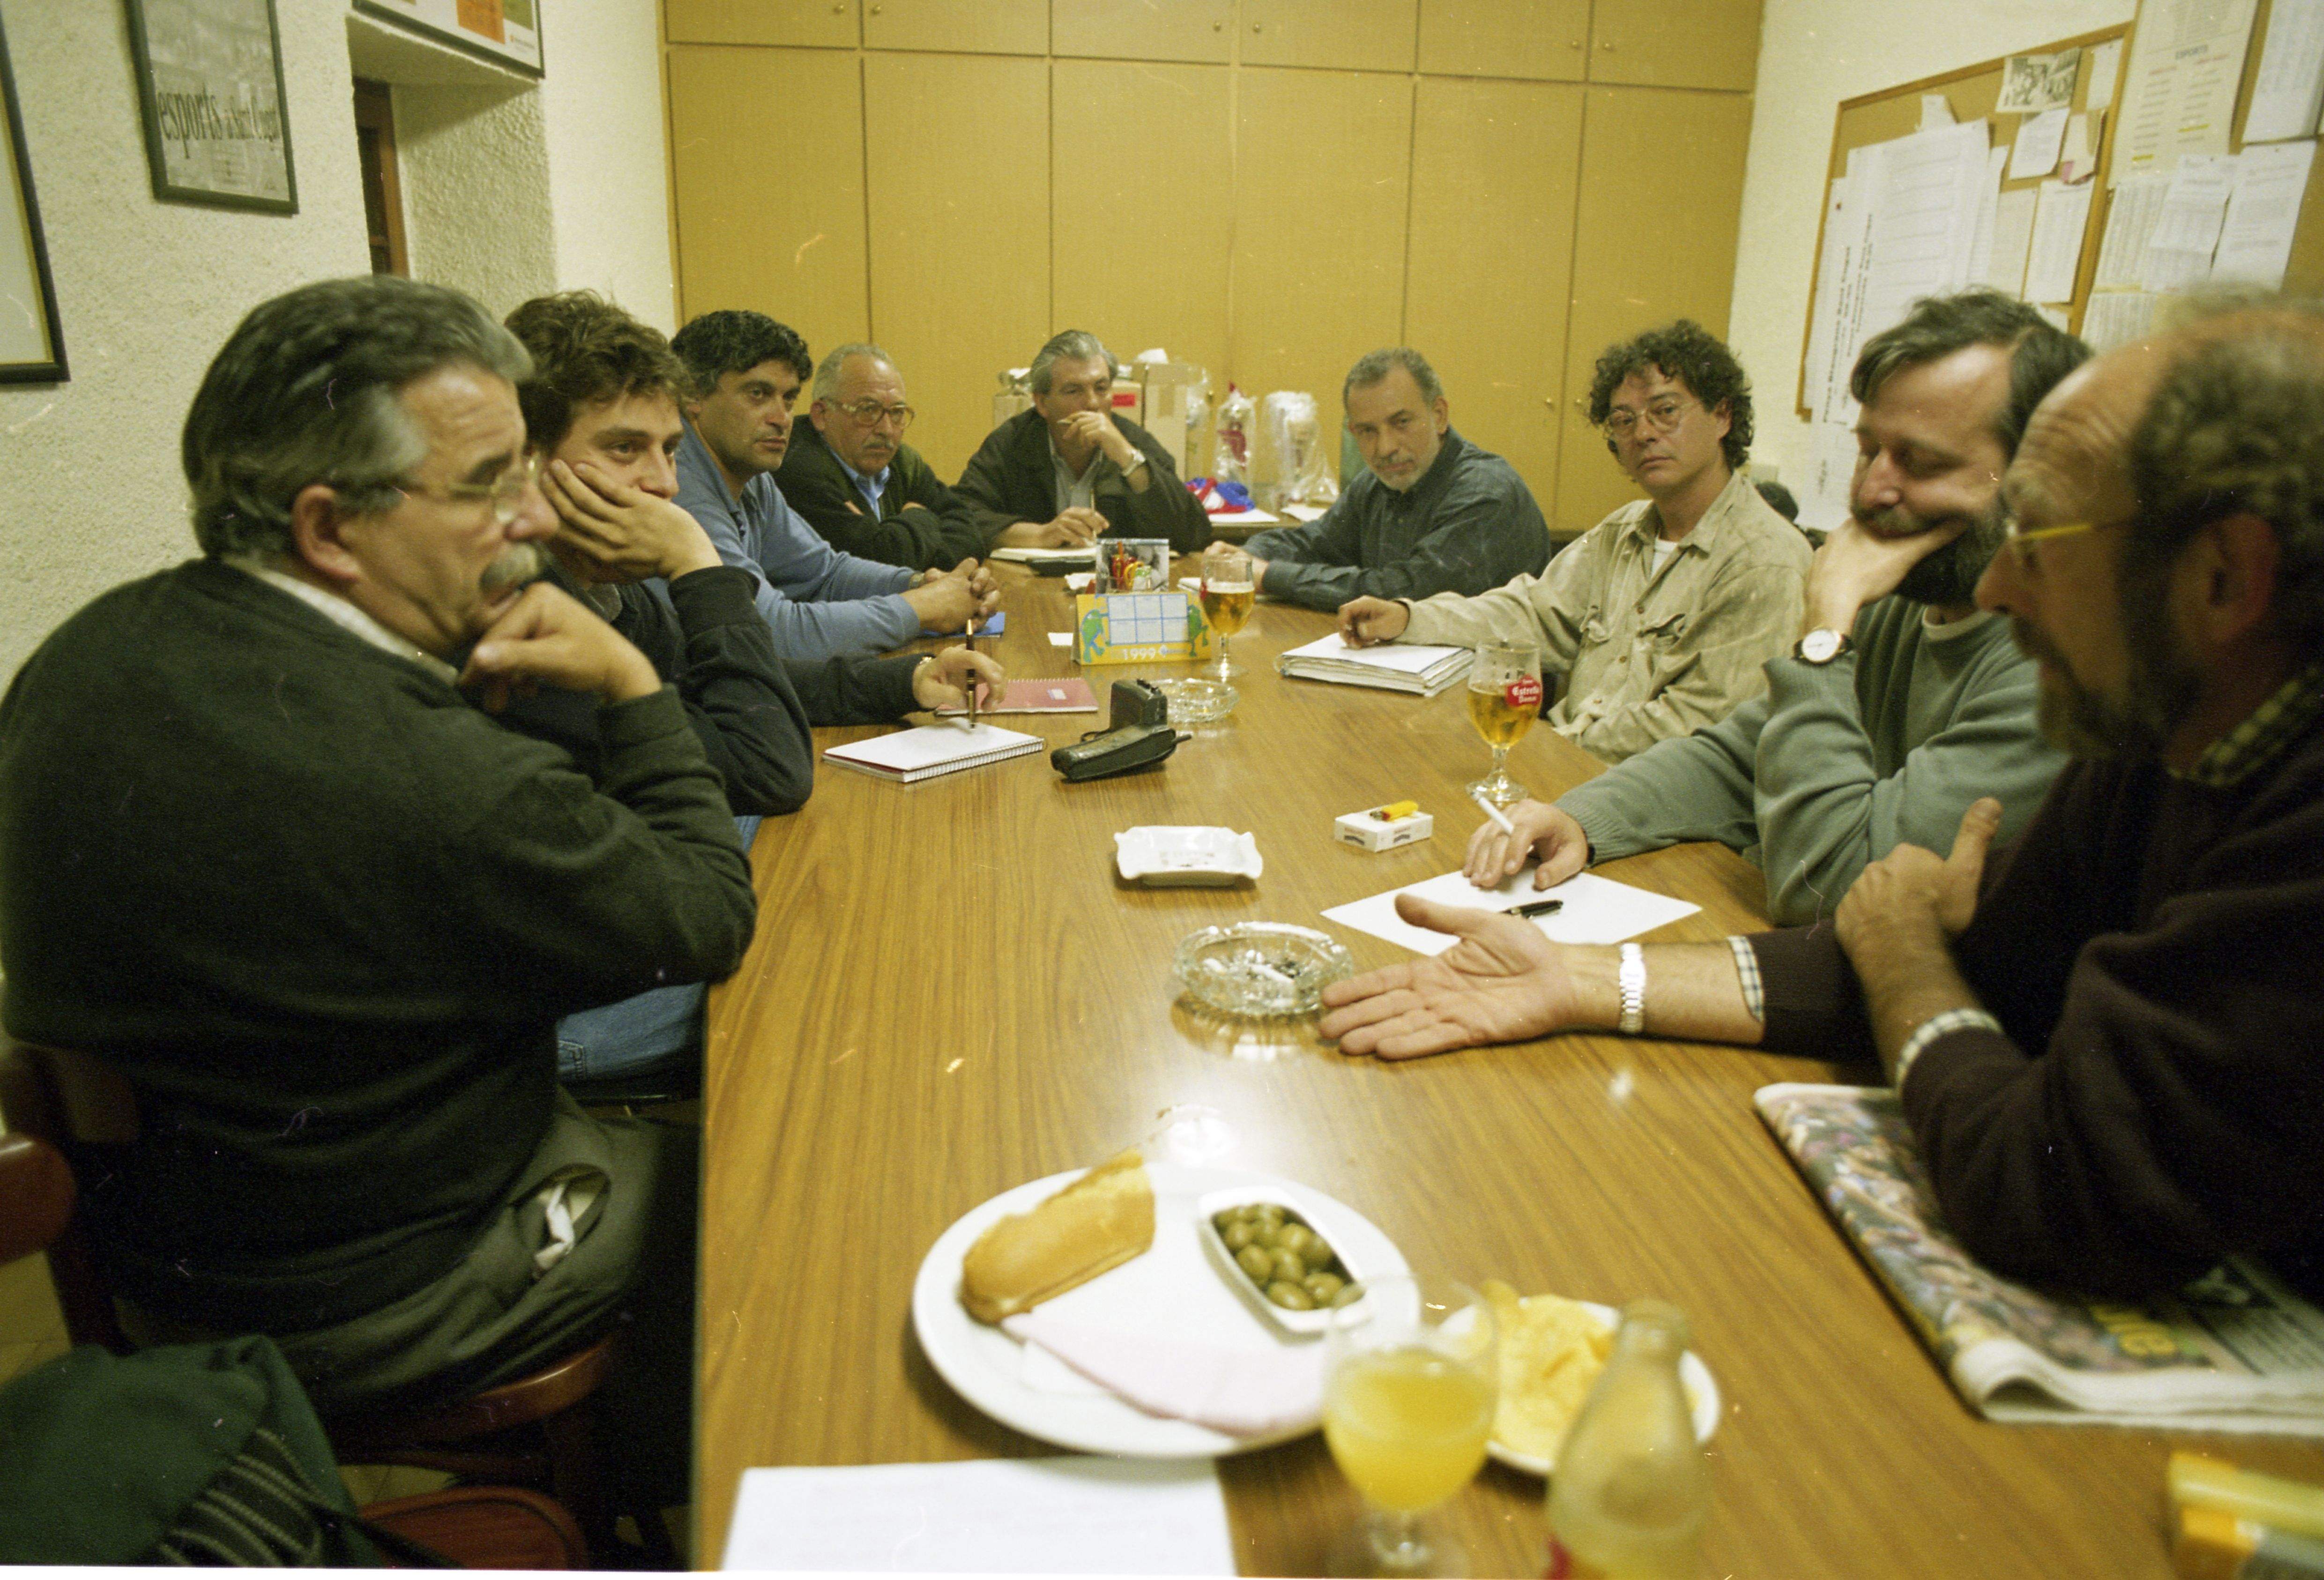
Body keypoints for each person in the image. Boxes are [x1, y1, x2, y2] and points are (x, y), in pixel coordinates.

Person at [1318, 291, 2324, 1299]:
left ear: (2224, 581)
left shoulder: (2239, 790)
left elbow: (2049, 1187)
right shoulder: (2149, 726)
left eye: (2042, 539)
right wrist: (1581, 980)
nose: (2001, 590)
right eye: (1867, 449)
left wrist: (1900, 949)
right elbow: (1981, 953)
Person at [0, 276, 752, 1508]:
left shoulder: (83, 651)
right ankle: (672, 1502)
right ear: (330, 528)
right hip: (376, 1289)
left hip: (158, 1262)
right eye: (487, 483)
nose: (532, 517)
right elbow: (706, 910)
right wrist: (632, 683)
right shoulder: (431, 773)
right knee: (766, 1196)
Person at [500, 292, 999, 1084]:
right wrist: (698, 565)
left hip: (627, 927)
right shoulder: (531, 632)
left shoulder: (608, 592)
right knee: (844, 942)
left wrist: (897, 678)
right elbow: (768, 766)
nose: (663, 486)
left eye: (668, 451)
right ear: (521, 462)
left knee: (868, 895)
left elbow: (730, 691)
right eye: (625, 449)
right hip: (555, 1024)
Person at [1467, 293, 2078, 924]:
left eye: (1920, 461)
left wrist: (1826, 635)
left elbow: (1830, 885)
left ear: (2041, 476)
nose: (1872, 489)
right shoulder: (1905, 602)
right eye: (1869, 451)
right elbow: (1736, 756)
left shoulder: (2053, 671)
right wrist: (1583, 819)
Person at [1339, 320, 1810, 764]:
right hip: (1565, 772)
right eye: (1624, 420)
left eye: (1665, 412)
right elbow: (1531, 613)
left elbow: (1698, 732)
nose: (1643, 434)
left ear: (1722, 415)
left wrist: (1546, 748)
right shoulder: (1623, 532)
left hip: (1657, 811)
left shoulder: (1763, 562)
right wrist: (1407, 617)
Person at [668, 309, 994, 661]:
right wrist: (921, 608)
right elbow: (771, 634)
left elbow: (825, 573)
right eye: (758, 394)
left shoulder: (752, 475)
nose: (781, 419)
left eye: (788, 399)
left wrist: (923, 583)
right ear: (693, 396)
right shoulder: (677, 487)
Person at [1229, 348, 1549, 610]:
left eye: (1401, 423)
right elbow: (1315, 543)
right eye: (1368, 432)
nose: (1385, 448)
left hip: (1494, 682)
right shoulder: (1377, 485)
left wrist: (1268, 574)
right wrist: (1244, 556)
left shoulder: (1486, 492)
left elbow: (1405, 591)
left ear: (1439, 415)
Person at [946, 330, 1209, 554]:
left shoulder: (1132, 442)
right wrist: (1039, 536)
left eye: (1102, 388)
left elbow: (1193, 534)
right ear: (1042, 402)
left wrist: (1128, 460)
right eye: (1074, 391)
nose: (1093, 404)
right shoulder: (1013, 442)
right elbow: (960, 518)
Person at [776, 342, 982, 572]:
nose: (887, 430)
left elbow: (970, 537)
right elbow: (874, 564)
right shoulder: (797, 468)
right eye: (868, 410)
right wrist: (920, 516)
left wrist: (909, 550)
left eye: (896, 413)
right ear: (822, 415)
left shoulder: (903, 462)